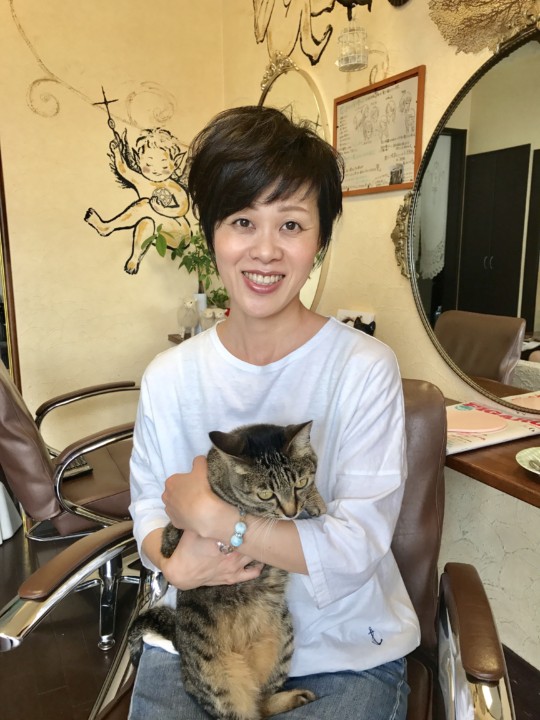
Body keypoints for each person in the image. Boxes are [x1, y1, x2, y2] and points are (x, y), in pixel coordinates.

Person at [128, 105, 420, 720]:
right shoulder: (169, 378)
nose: (265, 251)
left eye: (291, 224)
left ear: (320, 241)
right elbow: (149, 504)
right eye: (242, 221)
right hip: (204, 639)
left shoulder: (364, 368)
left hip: (343, 646)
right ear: (212, 234)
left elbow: (356, 546)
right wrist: (172, 563)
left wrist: (219, 519)